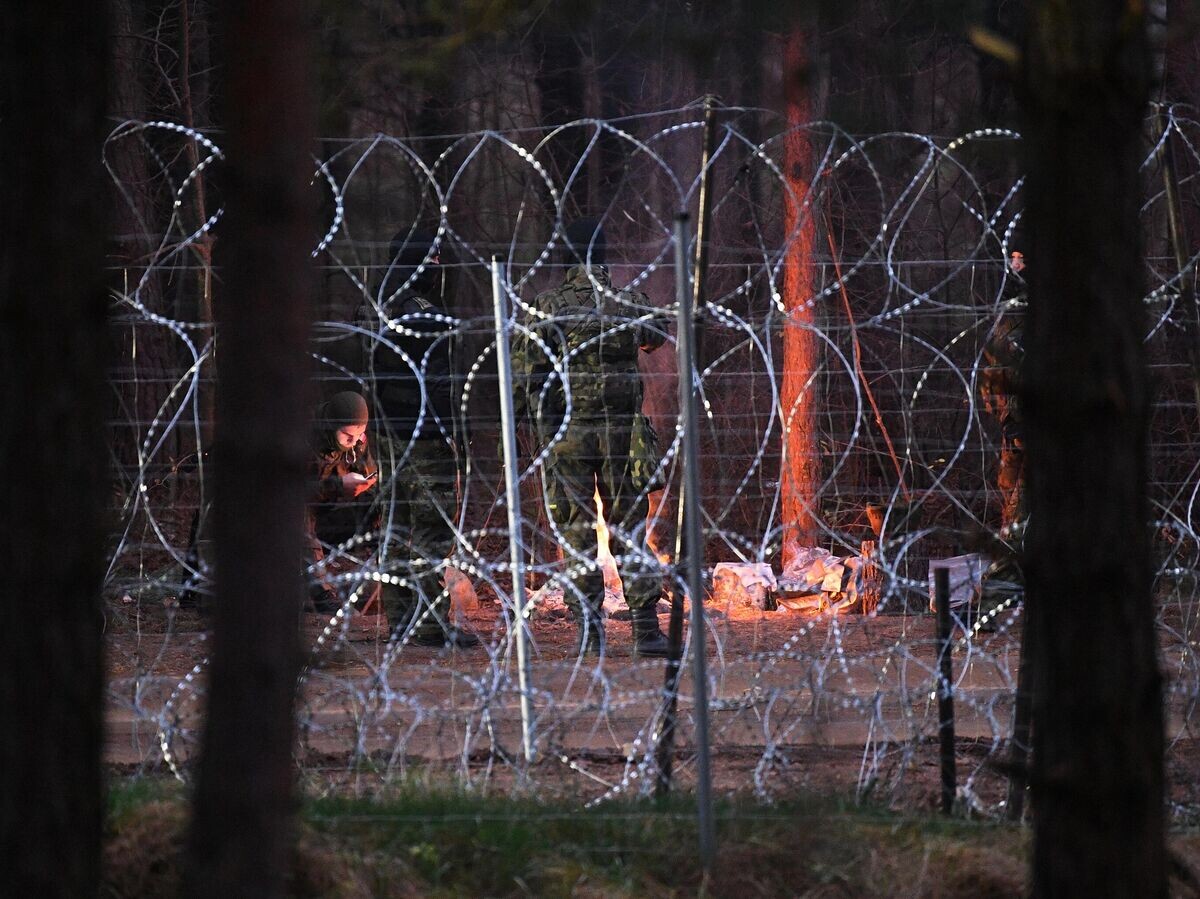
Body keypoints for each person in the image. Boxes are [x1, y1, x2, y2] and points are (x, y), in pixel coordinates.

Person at [513, 218, 671, 656]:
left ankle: (589, 633)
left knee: (576, 534)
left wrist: (523, 424)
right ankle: (646, 632)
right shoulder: (628, 301)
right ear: (602, 257)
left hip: (566, 436)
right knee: (631, 531)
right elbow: (657, 337)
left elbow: (523, 375)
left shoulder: (546, 307)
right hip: (622, 436)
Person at [360, 227, 479, 647]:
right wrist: (453, 432)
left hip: (390, 435)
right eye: (432, 258)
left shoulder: (380, 303)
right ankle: (428, 626)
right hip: (424, 435)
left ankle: (402, 622)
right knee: (431, 533)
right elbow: (439, 381)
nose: (438, 266)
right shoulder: (420, 311)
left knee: (397, 528)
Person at [306, 390, 378, 612]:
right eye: (348, 436)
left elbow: (369, 474)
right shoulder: (302, 437)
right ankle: (322, 593)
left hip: (324, 518)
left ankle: (379, 566)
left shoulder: (357, 443)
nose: (353, 442)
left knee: (377, 501)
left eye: (360, 435)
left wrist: (367, 484)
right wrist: (338, 486)